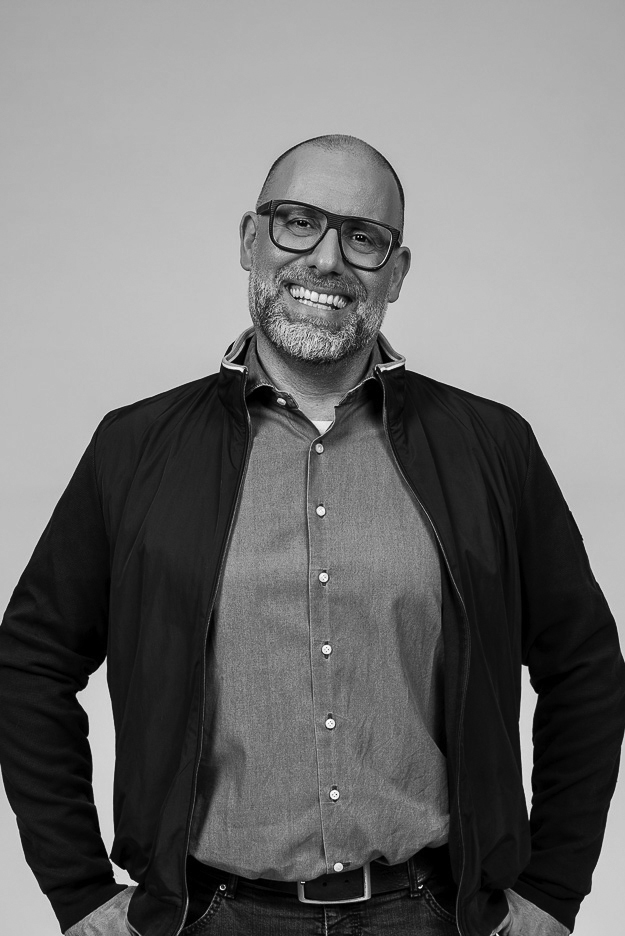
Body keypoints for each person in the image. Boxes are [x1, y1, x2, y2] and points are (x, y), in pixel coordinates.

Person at [0, 135, 623, 936]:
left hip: (433, 913)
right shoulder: (136, 448)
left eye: (363, 237)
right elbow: (31, 662)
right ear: (249, 240)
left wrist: (552, 889)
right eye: (297, 222)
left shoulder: (490, 447)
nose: (325, 260)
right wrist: (79, 890)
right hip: (207, 916)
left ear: (395, 272)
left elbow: (583, 667)